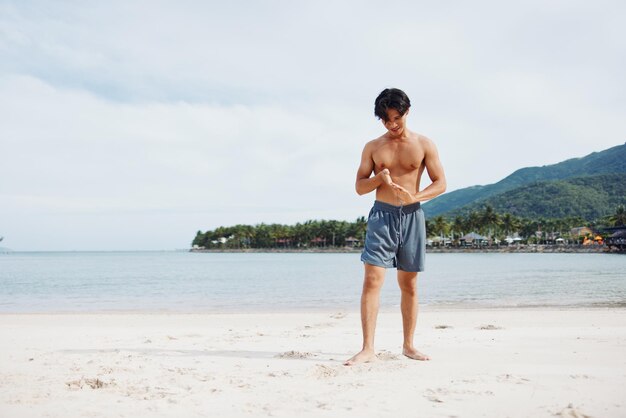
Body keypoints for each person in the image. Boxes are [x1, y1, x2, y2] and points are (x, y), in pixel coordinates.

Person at [345, 88, 447, 365]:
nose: (391, 125)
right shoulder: (373, 147)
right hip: (382, 217)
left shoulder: (425, 144)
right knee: (372, 280)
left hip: (412, 216)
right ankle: (367, 349)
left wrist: (416, 196)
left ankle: (408, 345)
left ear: (407, 112)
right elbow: (359, 187)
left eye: (396, 118)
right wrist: (380, 178)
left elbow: (441, 183)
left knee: (409, 284)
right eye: (385, 120)